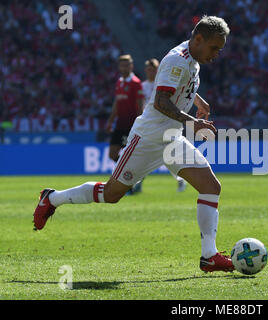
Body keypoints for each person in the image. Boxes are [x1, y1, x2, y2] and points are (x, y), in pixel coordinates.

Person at [33, 16, 234, 273]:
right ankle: (52, 198)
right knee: (111, 194)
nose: (216, 54)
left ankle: (209, 256)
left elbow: (178, 87)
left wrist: (198, 100)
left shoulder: (193, 60)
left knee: (210, 186)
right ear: (198, 39)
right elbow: (161, 101)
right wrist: (194, 122)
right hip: (149, 138)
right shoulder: (177, 59)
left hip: (171, 138)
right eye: (215, 48)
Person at [142, 58, 187, 192]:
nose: (151, 72)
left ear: (157, 70)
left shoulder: (163, 83)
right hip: (149, 124)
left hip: (166, 124)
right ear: (146, 71)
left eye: (153, 69)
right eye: (149, 69)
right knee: (143, 155)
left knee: (170, 156)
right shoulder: (142, 86)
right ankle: (136, 183)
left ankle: (180, 179)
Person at [106, 54, 145, 194]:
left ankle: (129, 182)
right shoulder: (119, 82)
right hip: (119, 125)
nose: (124, 67)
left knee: (127, 156)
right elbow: (117, 103)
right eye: (122, 65)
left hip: (131, 125)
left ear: (131, 66)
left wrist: (141, 123)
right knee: (112, 154)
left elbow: (140, 104)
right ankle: (129, 179)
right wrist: (110, 121)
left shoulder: (136, 83)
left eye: (126, 65)